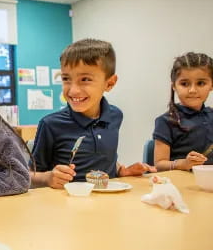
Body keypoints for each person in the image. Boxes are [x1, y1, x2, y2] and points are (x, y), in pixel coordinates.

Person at [30, 39, 155, 189]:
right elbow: (29, 175)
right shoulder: (50, 124)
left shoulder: (115, 116)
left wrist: (122, 170)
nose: (73, 90)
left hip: (107, 204)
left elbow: (103, 158)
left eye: (85, 79)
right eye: (66, 79)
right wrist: (47, 178)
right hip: (65, 206)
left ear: (109, 83)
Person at [153, 52, 213, 171]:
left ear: (211, 85)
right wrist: (183, 164)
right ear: (174, 86)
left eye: (201, 83)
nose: (192, 90)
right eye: (184, 84)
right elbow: (159, 164)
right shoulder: (166, 121)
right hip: (181, 184)